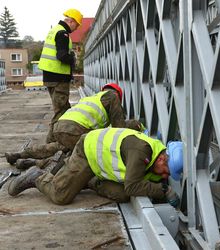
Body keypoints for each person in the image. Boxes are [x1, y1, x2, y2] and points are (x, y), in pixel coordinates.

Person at [8, 128, 183, 208]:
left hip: (103, 165)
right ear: (162, 158)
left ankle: (90, 181)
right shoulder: (141, 151)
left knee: (122, 195)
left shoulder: (155, 158)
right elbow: (133, 186)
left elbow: (130, 189)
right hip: (89, 152)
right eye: (167, 170)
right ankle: (36, 176)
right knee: (61, 196)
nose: (166, 175)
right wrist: (163, 190)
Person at [5, 83, 143, 169]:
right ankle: (36, 165)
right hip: (75, 129)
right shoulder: (113, 97)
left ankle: (19, 155)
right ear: (118, 95)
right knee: (76, 158)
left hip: (60, 126)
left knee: (53, 147)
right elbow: (118, 129)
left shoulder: (91, 99)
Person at [38, 9, 83, 143]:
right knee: (60, 112)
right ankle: (49, 144)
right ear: (71, 21)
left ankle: (63, 140)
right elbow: (62, 55)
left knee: (65, 110)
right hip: (58, 79)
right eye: (77, 25)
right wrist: (73, 58)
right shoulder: (62, 33)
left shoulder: (54, 30)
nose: (76, 28)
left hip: (50, 77)